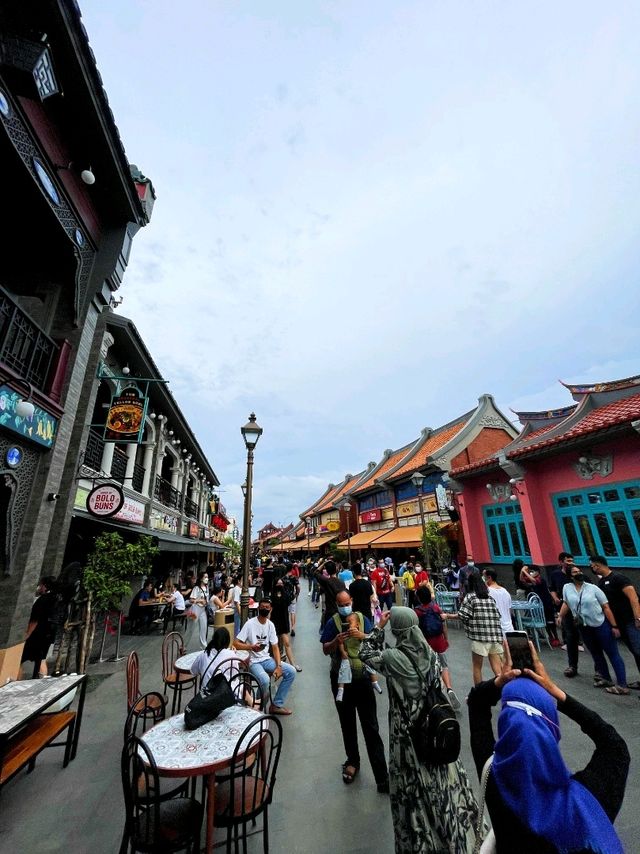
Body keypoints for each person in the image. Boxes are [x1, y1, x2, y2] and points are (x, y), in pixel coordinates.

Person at [467, 643, 629, 854]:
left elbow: (476, 704)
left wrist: (500, 681)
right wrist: (557, 692)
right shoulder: (588, 798)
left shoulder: (495, 781)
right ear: (550, 727)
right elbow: (615, 746)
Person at [361, 607, 484, 853]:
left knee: (413, 787)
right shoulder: (429, 653)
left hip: (408, 734)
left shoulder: (393, 658)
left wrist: (377, 627)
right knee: (444, 780)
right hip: (433, 726)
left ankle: (423, 838)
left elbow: (365, 653)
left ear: (396, 629)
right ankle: (454, 829)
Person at [320, 590, 389, 792]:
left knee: (371, 726)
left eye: (347, 603)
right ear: (336, 603)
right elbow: (325, 649)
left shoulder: (363, 618)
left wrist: (363, 635)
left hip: (363, 679)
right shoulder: (332, 621)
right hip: (341, 679)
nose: (344, 607)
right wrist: (336, 642)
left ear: (352, 601)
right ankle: (352, 761)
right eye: (341, 604)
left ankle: (381, 775)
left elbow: (376, 643)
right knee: (347, 722)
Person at [559, 564, 629, 695]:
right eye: (575, 572)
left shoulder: (593, 588)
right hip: (583, 626)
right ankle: (606, 678)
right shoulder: (567, 588)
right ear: (569, 576)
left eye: (579, 571)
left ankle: (622, 684)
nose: (578, 573)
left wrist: (614, 626)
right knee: (596, 653)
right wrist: (560, 616)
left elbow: (606, 607)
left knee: (612, 653)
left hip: (600, 624)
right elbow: (566, 603)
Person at [234, 597, 296, 715]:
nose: (265, 609)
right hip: (253, 661)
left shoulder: (270, 625)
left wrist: (278, 666)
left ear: (270, 609)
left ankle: (276, 704)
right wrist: (251, 647)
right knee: (265, 679)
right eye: (262, 607)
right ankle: (258, 707)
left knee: (291, 671)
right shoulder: (250, 623)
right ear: (258, 608)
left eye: (267, 607)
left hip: (266, 659)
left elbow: (275, 647)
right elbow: (236, 643)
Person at [591, 555, 640, 688]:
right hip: (620, 623)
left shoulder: (618, 578)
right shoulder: (601, 583)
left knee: (639, 650)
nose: (592, 568)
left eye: (593, 566)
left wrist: (638, 618)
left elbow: (633, 598)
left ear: (598, 565)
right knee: (635, 652)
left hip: (631, 621)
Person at [413, 585, 460, 709]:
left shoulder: (417, 611)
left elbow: (416, 630)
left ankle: (433, 693)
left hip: (425, 644)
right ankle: (449, 688)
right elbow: (443, 625)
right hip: (439, 641)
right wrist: (446, 638)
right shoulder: (436, 608)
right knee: (443, 666)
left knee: (428, 667)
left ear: (418, 598)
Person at [457, 572, 504, 685]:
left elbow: (462, 615)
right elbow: (498, 615)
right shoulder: (490, 598)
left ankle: (479, 692)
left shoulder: (471, 597)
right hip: (494, 636)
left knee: (477, 667)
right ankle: (504, 688)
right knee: (498, 669)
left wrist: (448, 616)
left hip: (480, 637)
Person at [549, 551, 583, 676]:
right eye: (568, 561)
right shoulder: (556, 575)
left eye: (572, 561)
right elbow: (553, 589)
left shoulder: (581, 577)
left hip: (582, 612)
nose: (571, 563)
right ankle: (572, 665)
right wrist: (555, 598)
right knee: (570, 635)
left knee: (587, 636)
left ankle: (599, 671)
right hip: (566, 610)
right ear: (561, 562)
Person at [335, 612, 381, 700]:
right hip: (348, 657)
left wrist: (361, 635)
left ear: (357, 625)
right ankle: (341, 689)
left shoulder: (360, 632)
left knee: (370, 665)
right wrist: (342, 651)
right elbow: (341, 643)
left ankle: (374, 682)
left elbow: (369, 642)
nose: (348, 625)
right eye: (346, 623)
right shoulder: (345, 634)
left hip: (361, 656)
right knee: (343, 669)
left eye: (350, 623)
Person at [21, 576, 57, 678]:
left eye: (40, 585)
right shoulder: (56, 599)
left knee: (19, 659)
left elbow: (34, 621)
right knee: (41, 659)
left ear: (45, 586)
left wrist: (27, 635)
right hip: (49, 635)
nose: (39, 587)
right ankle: (41, 682)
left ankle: (13, 682)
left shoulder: (43, 600)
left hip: (37, 635)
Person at [271, 579, 302, 672]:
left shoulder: (285, 594)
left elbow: (289, 600)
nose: (280, 585)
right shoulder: (272, 595)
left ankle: (292, 664)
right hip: (274, 621)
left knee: (287, 643)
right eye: (278, 583)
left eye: (281, 583)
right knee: (274, 644)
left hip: (284, 621)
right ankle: (277, 664)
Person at [314, 559, 346, 627]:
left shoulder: (326, 582)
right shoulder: (341, 582)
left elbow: (316, 572)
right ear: (336, 569)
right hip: (340, 611)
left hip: (330, 611)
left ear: (327, 571)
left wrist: (324, 563)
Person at [484, 568, 514, 635]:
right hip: (509, 628)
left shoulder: (487, 592)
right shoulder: (506, 592)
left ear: (489, 577)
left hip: (496, 629)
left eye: (484, 577)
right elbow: (509, 611)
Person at [284, 565, 300, 636]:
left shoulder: (283, 578)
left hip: (284, 598)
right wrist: (297, 593)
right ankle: (293, 628)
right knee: (292, 612)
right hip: (292, 597)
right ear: (291, 569)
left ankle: (286, 628)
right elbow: (298, 586)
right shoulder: (294, 578)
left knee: (285, 612)